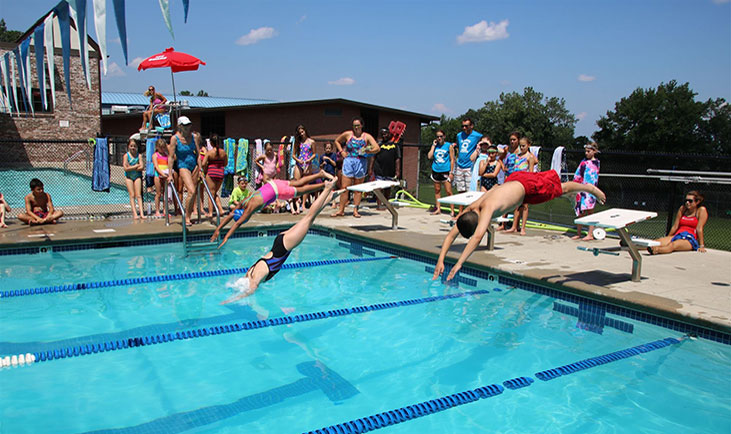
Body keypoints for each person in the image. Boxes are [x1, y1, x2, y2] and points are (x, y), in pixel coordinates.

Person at [432, 170, 606, 281]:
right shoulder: (470, 210)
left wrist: (459, 263)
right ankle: (575, 193)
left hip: (527, 188)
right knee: (559, 191)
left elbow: (477, 237)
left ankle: (588, 188)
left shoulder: (487, 208)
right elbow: (450, 235)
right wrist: (440, 261)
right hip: (514, 181)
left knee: (562, 189)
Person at [220, 179, 344, 303]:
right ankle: (330, 197)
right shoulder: (249, 272)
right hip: (280, 242)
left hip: (285, 246)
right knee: (309, 219)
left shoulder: (253, 277)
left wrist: (232, 300)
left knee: (309, 217)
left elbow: (251, 290)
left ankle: (327, 189)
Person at [210, 171, 335, 248]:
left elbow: (237, 223)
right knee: (298, 182)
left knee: (302, 190)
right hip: (273, 183)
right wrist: (218, 229)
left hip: (278, 191)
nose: (245, 220)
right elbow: (231, 214)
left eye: (245, 219)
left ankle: (325, 185)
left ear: (244, 215)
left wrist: (226, 238)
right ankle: (320, 174)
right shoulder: (245, 201)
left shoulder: (249, 209)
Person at [331, 117, 380, 218]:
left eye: (358, 125)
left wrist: (368, 151)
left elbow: (377, 148)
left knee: (358, 189)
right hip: (349, 161)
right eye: (354, 125)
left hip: (361, 163)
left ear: (362, 125)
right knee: (345, 188)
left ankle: (355, 210)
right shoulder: (348, 134)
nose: (356, 127)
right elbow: (337, 141)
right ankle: (341, 210)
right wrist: (341, 151)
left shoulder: (367, 136)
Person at [167, 116, 202, 226]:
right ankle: (186, 217)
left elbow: (198, 154)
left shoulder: (194, 137)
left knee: (193, 193)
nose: (188, 128)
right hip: (183, 166)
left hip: (194, 166)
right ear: (180, 126)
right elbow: (171, 157)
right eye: (185, 125)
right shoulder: (174, 139)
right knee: (191, 190)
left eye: (189, 125)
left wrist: (200, 169)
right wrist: (170, 174)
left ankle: (189, 215)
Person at [505, 137, 537, 235]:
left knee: (525, 206)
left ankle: (523, 227)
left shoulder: (529, 157)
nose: (522, 148)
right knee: (517, 206)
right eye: (521, 146)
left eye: (524, 146)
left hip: (525, 183)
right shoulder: (517, 156)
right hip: (517, 182)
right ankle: (514, 226)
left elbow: (531, 171)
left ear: (528, 146)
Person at [572, 142, 601, 240]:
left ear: (594, 151)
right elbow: (578, 174)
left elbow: (594, 178)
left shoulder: (596, 163)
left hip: (591, 191)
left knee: (590, 211)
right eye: (586, 151)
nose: (586, 153)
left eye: (588, 151)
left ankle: (590, 234)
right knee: (580, 212)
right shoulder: (583, 162)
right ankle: (579, 233)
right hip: (582, 189)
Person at [453, 118, 483, 213]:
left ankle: (471, 211)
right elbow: (458, 147)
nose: (464, 128)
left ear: (471, 126)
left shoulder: (477, 136)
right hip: (460, 165)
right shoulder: (459, 135)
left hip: (470, 166)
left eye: (466, 126)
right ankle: (460, 212)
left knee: (470, 191)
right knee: (460, 190)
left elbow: (483, 144)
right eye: (462, 126)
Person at [370, 127, 401, 210]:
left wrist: (398, 171)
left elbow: (397, 159)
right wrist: (370, 169)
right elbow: (373, 157)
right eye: (382, 134)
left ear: (389, 134)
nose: (384, 135)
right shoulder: (378, 145)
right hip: (379, 170)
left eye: (386, 133)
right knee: (379, 188)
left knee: (387, 188)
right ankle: (379, 205)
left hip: (390, 171)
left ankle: (386, 204)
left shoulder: (395, 146)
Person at [428, 129, 456, 216]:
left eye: (441, 136)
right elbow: (429, 156)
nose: (439, 138)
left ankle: (452, 210)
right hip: (436, 169)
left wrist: (451, 172)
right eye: (437, 136)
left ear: (444, 136)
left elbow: (452, 159)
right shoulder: (436, 146)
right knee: (437, 190)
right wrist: (433, 145)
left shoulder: (449, 146)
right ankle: (438, 208)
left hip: (446, 170)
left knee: (448, 191)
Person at [202, 134, 228, 217]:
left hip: (211, 173)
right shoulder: (223, 152)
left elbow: (203, 164)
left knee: (211, 194)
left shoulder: (209, 153)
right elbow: (225, 163)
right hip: (220, 173)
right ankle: (220, 210)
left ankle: (210, 213)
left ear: (211, 143)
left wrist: (205, 169)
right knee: (214, 193)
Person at [123, 138, 146, 219]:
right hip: (129, 177)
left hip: (137, 176)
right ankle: (135, 213)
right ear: (128, 147)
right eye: (131, 146)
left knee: (138, 195)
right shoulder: (126, 156)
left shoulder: (139, 156)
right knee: (132, 195)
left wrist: (131, 167)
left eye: (134, 146)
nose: (133, 148)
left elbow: (142, 167)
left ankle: (142, 213)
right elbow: (125, 168)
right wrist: (136, 166)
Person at [151, 138, 171, 217]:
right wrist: (162, 173)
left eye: (163, 147)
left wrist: (168, 174)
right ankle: (157, 210)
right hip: (158, 175)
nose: (162, 149)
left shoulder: (166, 155)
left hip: (165, 175)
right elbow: (156, 166)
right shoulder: (155, 155)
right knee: (158, 194)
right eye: (161, 147)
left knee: (165, 193)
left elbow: (169, 165)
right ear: (157, 147)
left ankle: (165, 210)